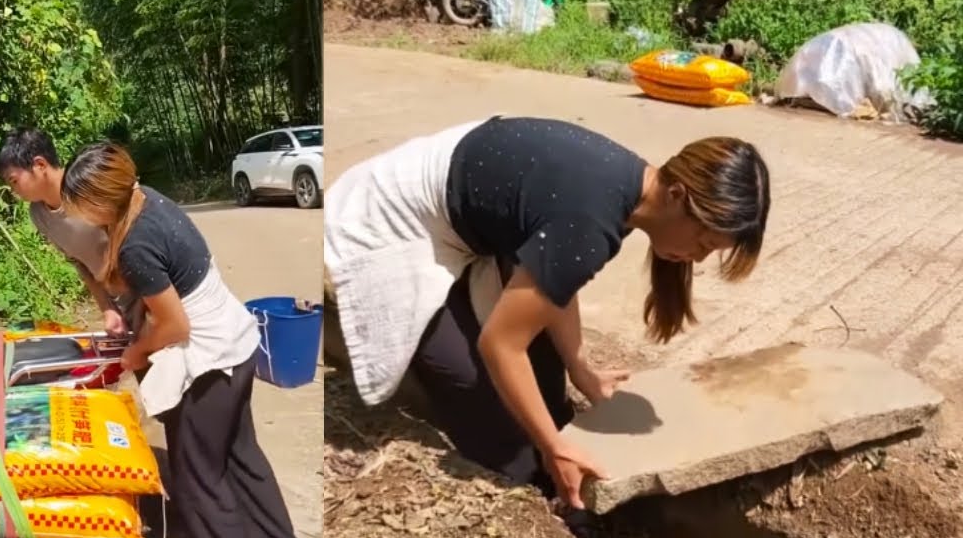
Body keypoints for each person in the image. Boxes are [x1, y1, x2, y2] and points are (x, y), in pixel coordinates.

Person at [324, 116, 771, 509]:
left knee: (544, 368)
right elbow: (500, 345)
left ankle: (550, 465)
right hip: (392, 217)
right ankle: (529, 485)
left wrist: (578, 365)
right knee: (472, 384)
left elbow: (556, 280)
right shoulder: (592, 218)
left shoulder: (627, 194)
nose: (698, 259)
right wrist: (552, 446)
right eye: (704, 243)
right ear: (676, 194)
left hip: (464, 212)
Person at [59, 141, 308, 538]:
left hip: (210, 361)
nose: (78, 217)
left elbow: (175, 326)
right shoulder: (148, 199)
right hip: (237, 345)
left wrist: (136, 353)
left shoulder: (136, 246)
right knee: (241, 454)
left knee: (197, 472)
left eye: (80, 206)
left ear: (101, 200)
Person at [0, 127, 137, 334]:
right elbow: (80, 262)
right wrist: (107, 309)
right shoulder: (39, 214)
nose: (12, 190)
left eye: (14, 180)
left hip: (153, 288)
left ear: (40, 165)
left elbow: (138, 238)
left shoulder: (90, 187)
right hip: (123, 303)